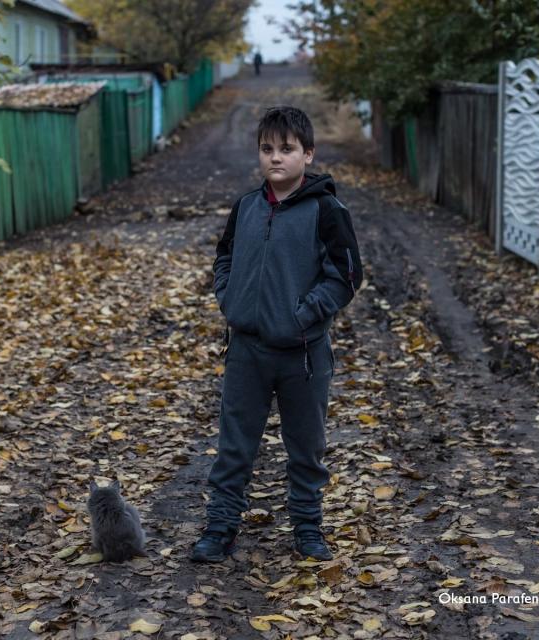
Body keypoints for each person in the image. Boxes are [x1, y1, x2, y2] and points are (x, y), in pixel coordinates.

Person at [191, 106, 363, 563]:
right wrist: (229, 299)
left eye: (286, 149)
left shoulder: (327, 209)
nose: (275, 158)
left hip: (303, 355)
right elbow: (223, 257)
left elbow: (345, 275)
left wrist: (304, 316)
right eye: (267, 149)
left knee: (306, 447)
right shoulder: (246, 207)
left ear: (308, 153)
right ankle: (221, 527)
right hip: (246, 350)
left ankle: (308, 529)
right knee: (234, 446)